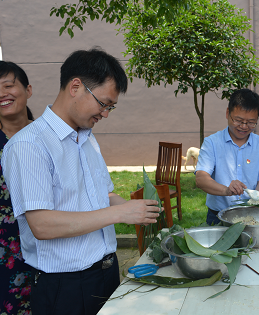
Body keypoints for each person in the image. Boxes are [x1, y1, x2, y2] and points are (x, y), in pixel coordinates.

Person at [1, 48, 162, 315]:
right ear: (76, 86)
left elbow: (103, 195)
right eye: (104, 104)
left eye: (111, 107)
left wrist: (139, 211)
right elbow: (41, 224)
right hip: (66, 287)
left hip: (105, 273)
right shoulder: (29, 145)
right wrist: (118, 212)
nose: (106, 114)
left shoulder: (85, 136)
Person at [195, 88, 259, 225]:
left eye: (251, 122)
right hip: (218, 216)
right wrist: (226, 190)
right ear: (228, 113)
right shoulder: (212, 143)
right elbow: (201, 179)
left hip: (252, 216)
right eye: (238, 120)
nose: (244, 126)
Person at [0, 61, 34, 314]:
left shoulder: (49, 136)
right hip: (4, 251)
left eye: (8, 85)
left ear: (28, 90)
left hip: (49, 243)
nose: (2, 94)